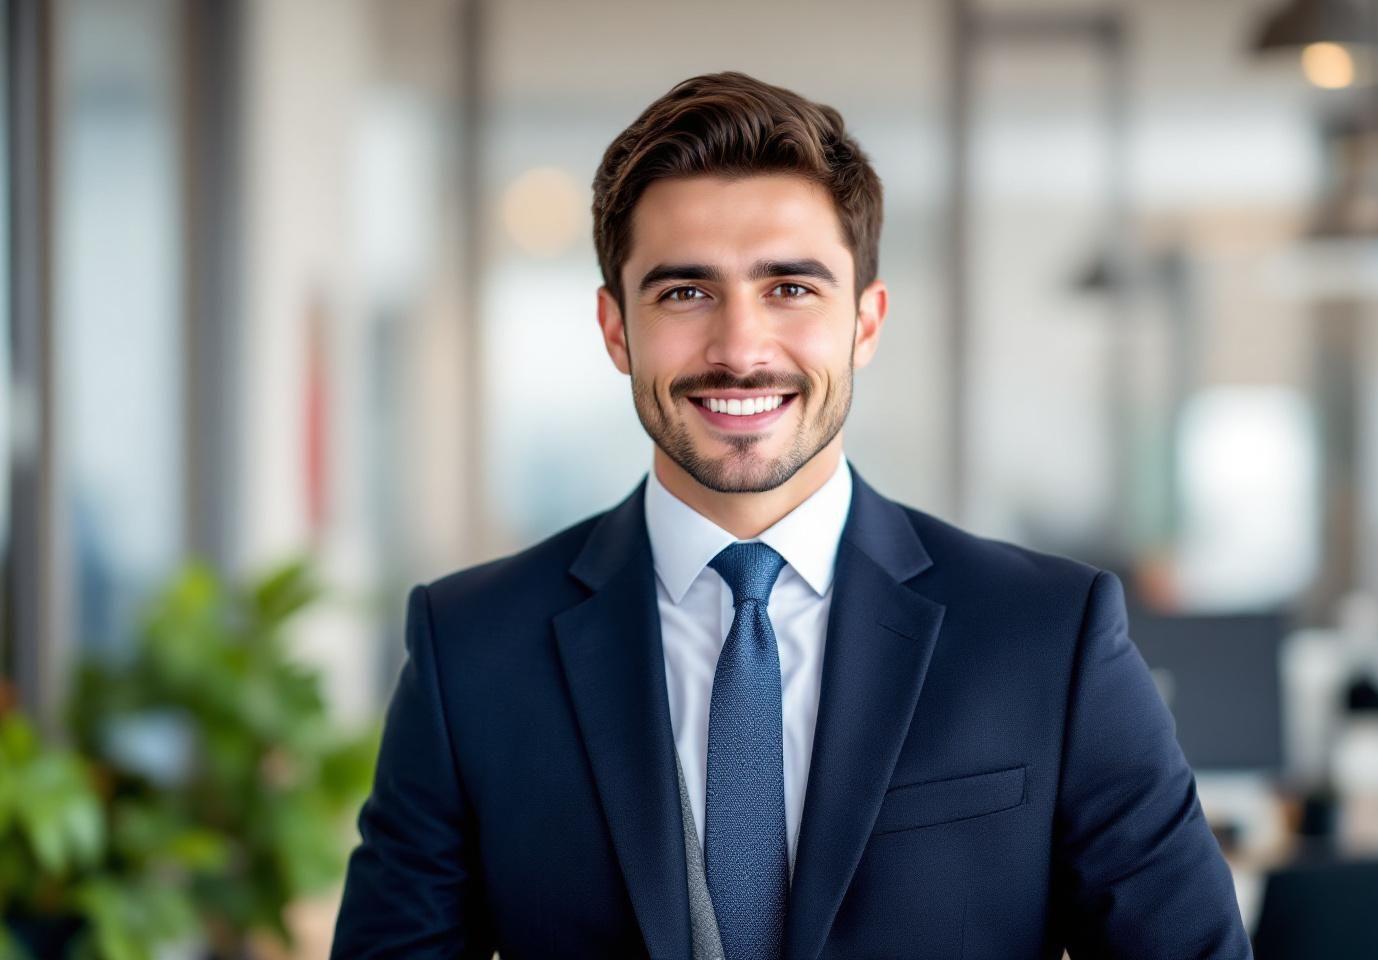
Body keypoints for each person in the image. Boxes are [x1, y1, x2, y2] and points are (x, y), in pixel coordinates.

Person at [331, 71, 1251, 960]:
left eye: (791, 289)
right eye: (685, 292)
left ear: (866, 322)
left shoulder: (1049, 635)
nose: (739, 349)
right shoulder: (473, 648)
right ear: (617, 329)